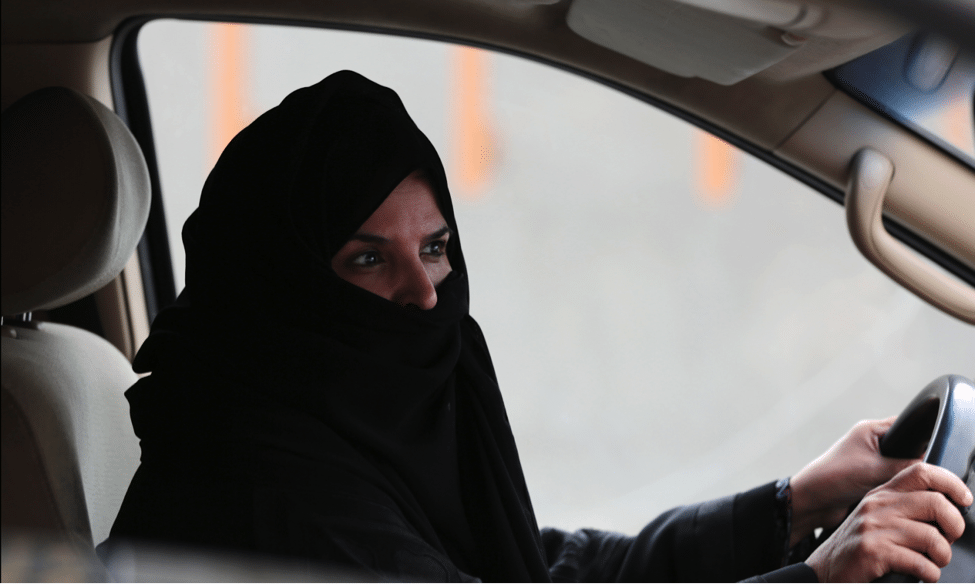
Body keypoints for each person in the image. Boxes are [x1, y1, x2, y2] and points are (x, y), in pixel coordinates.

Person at [105, 71, 971, 582]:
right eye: (367, 260)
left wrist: (789, 504)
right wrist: (815, 576)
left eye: (436, 247)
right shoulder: (262, 493)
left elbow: (544, 569)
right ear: (281, 288)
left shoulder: (333, 429)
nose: (425, 294)